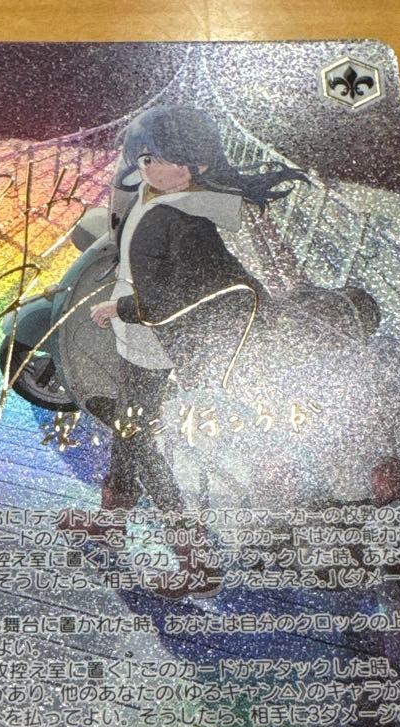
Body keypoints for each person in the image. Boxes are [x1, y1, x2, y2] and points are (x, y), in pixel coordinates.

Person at [81, 105, 307, 598]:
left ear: (193, 165)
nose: (145, 168)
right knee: (128, 429)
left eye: (157, 160)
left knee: (139, 441)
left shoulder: (184, 219)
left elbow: (177, 295)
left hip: (154, 343)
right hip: (142, 343)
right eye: (142, 158)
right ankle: (113, 522)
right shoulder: (161, 197)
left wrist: (121, 308)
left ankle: (195, 560)